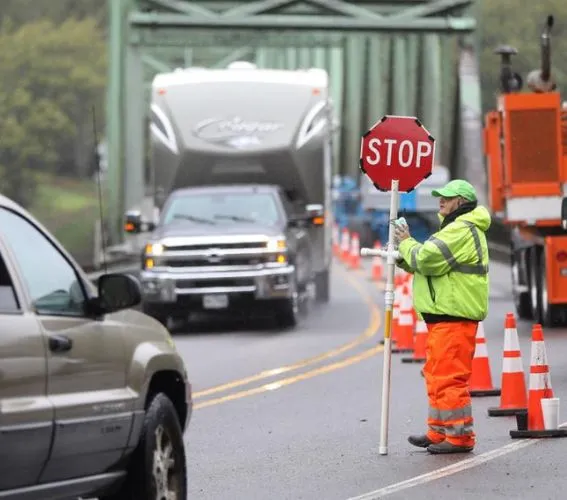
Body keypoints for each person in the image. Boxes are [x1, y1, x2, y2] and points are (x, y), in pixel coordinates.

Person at [393, 179, 490, 455]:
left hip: (454, 317)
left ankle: (459, 437)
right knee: (436, 375)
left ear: (461, 201)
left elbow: (426, 258)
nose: (441, 201)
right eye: (440, 197)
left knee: (448, 378)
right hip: (443, 318)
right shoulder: (453, 228)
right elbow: (426, 263)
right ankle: (439, 431)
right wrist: (402, 254)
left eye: (446, 198)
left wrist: (405, 243)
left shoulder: (461, 229)